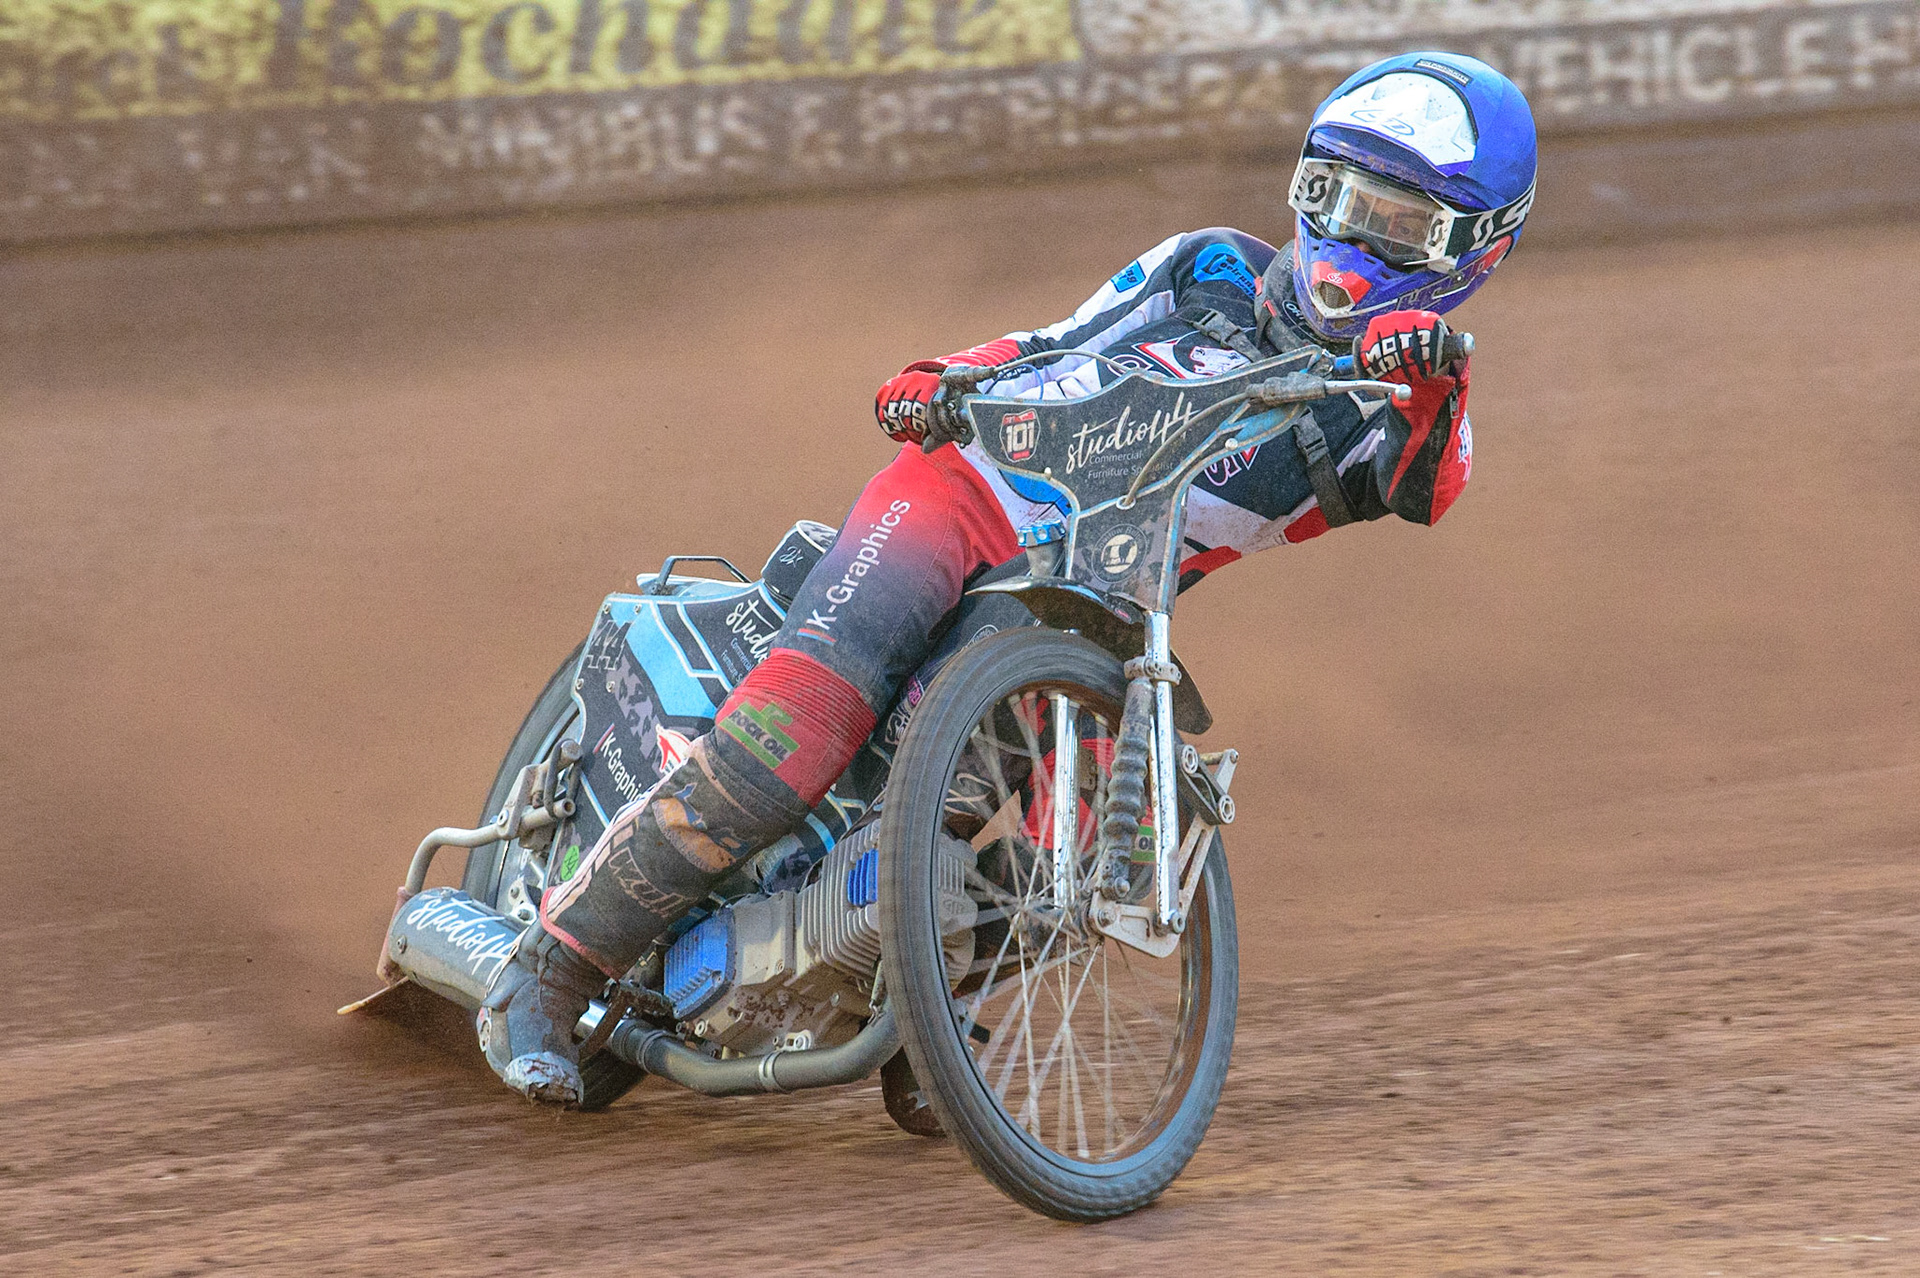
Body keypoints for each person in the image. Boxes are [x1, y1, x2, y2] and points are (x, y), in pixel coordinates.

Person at [480, 50, 1539, 1103]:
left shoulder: (1388, 419)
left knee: (1046, 855)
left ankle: (916, 1031)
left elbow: (1427, 483)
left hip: (1091, 607)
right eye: (1335, 197)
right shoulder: (1208, 266)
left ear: (1474, 252)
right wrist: (947, 375)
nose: (1353, 238)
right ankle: (549, 967)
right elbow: (1053, 341)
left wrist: (1433, 374)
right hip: (962, 493)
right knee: (793, 737)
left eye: (1398, 224)